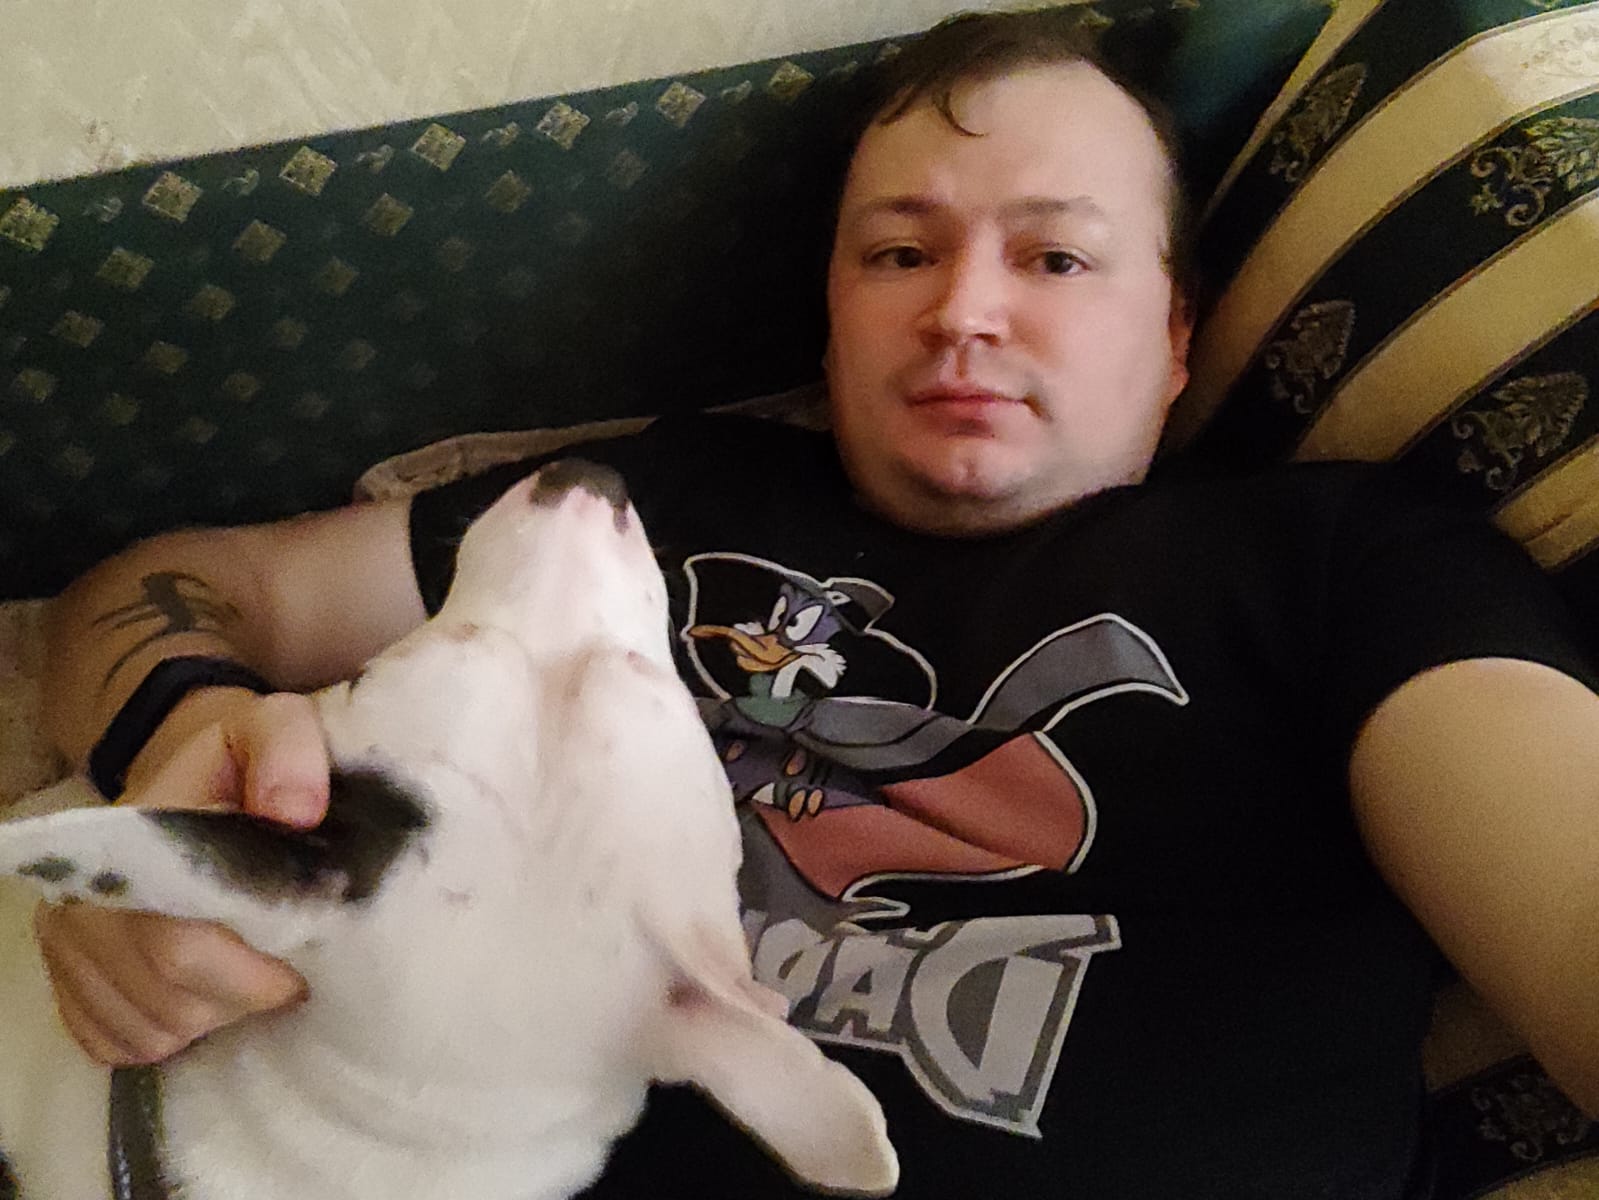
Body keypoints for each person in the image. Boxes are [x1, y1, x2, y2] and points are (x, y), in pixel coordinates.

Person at [32, 9, 1599, 1197]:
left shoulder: (1344, 561)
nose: (965, 311)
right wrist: (179, 733)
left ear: (1178, 333)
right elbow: (182, 588)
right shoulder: (648, 508)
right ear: (833, 317)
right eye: (900, 252)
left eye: (1056, 260)